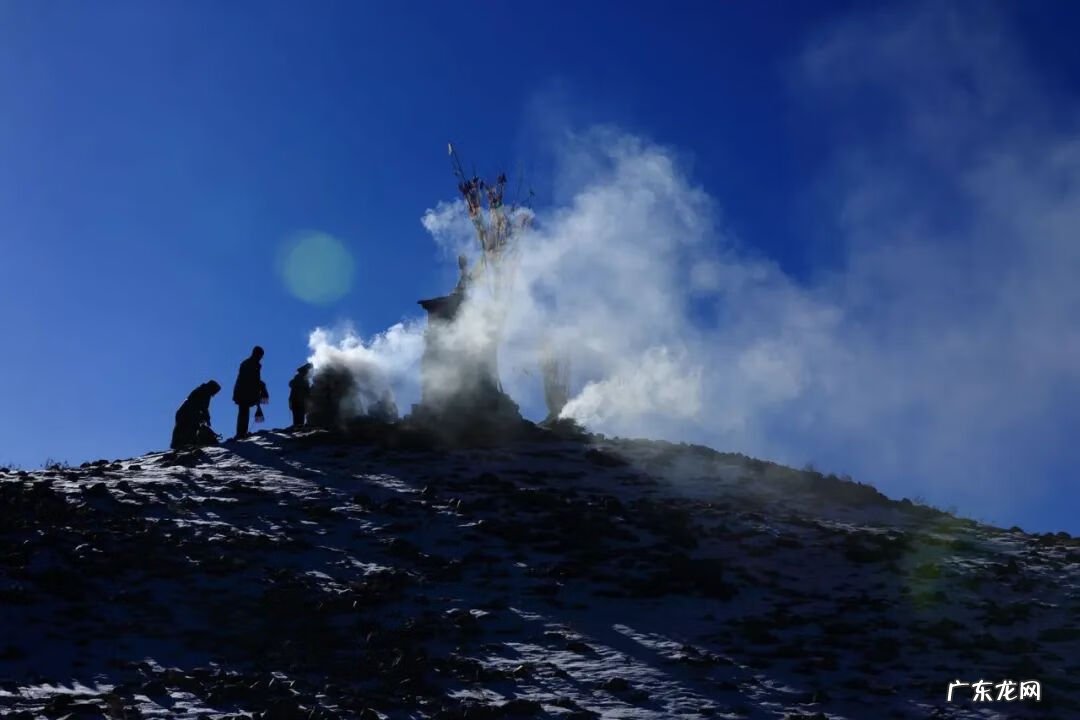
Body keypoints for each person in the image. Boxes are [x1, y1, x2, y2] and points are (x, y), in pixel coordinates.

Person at [170, 381, 221, 450]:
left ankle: (182, 444)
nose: (214, 394)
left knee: (185, 428)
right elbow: (203, 407)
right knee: (187, 428)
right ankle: (183, 444)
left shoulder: (202, 390)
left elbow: (203, 408)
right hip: (187, 413)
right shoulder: (204, 392)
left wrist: (205, 417)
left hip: (185, 412)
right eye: (215, 392)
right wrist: (206, 418)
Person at [232, 345, 268, 439]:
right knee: (244, 412)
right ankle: (241, 433)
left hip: (243, 391)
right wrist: (261, 386)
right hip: (244, 392)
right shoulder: (252, 364)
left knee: (244, 411)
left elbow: (253, 380)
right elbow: (251, 379)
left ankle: (241, 432)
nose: (261, 358)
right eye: (260, 355)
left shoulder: (249, 363)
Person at [288, 363, 313, 428]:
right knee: (299, 420)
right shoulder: (301, 378)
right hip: (298, 401)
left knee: (298, 419)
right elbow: (305, 390)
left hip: (297, 401)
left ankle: (297, 428)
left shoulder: (299, 378)